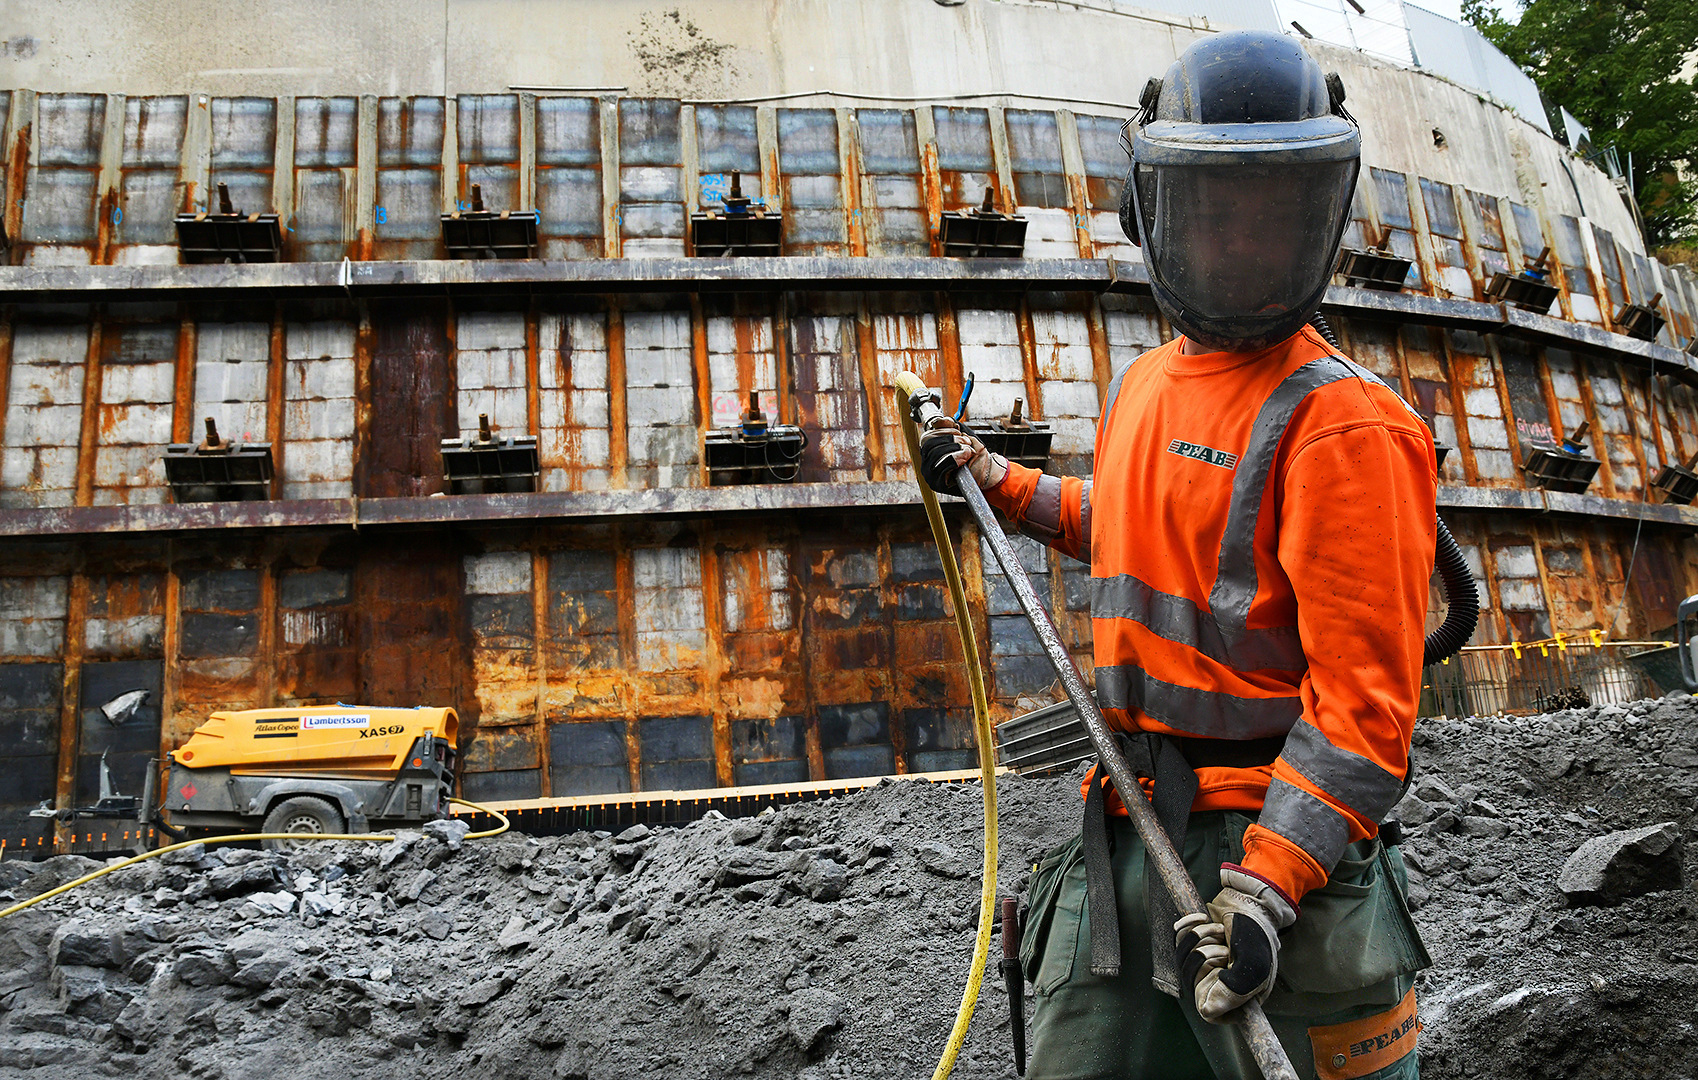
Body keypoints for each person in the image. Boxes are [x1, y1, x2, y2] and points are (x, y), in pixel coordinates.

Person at [920, 30, 1435, 1080]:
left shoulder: (1345, 429)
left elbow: (1365, 711)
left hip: (1270, 857)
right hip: (1125, 836)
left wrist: (1269, 886)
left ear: (1322, 216)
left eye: (1274, 216)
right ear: (1151, 213)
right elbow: (1143, 524)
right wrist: (1002, 483)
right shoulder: (1149, 384)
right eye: (1217, 212)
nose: (1244, 245)